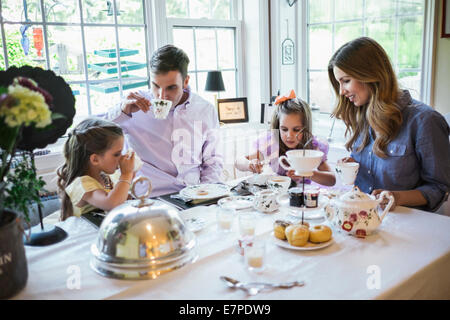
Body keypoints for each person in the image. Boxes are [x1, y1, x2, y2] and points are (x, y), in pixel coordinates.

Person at [328, 36, 450, 212]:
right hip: (362, 219)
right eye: (339, 83)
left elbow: (439, 188)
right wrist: (355, 164)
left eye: (346, 81)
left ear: (370, 75)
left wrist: (397, 197)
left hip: (406, 227)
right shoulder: (362, 115)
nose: (341, 92)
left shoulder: (425, 121)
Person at [105, 44, 223, 197]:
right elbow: (94, 134)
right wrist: (122, 111)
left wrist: (206, 195)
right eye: (156, 86)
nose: (162, 96)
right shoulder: (133, 104)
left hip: (192, 196)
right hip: (148, 197)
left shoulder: (205, 110)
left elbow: (212, 161)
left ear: (185, 81)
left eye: (171, 88)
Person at [235, 90, 336, 187]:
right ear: (278, 126)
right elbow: (238, 162)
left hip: (302, 197)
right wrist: (249, 164)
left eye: (296, 130)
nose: (289, 135)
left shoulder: (311, 147)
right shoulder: (271, 144)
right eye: (284, 129)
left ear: (306, 128)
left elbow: (332, 180)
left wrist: (308, 173)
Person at [56, 118, 136, 221]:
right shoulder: (81, 185)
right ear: (95, 159)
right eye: (116, 154)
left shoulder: (106, 177)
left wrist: (126, 191)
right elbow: (111, 203)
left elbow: (118, 200)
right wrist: (126, 175)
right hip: (86, 234)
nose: (121, 157)